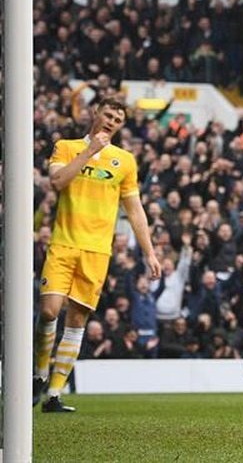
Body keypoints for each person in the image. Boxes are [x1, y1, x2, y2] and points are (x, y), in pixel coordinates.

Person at [35, 97, 162, 412]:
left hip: (97, 250)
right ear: (95, 113)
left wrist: (149, 252)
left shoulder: (125, 161)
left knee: (76, 321)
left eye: (118, 120)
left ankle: (54, 394)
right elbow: (57, 181)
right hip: (64, 243)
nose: (111, 122)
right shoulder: (66, 147)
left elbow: (135, 211)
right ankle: (39, 373)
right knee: (50, 311)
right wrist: (90, 151)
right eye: (108, 115)